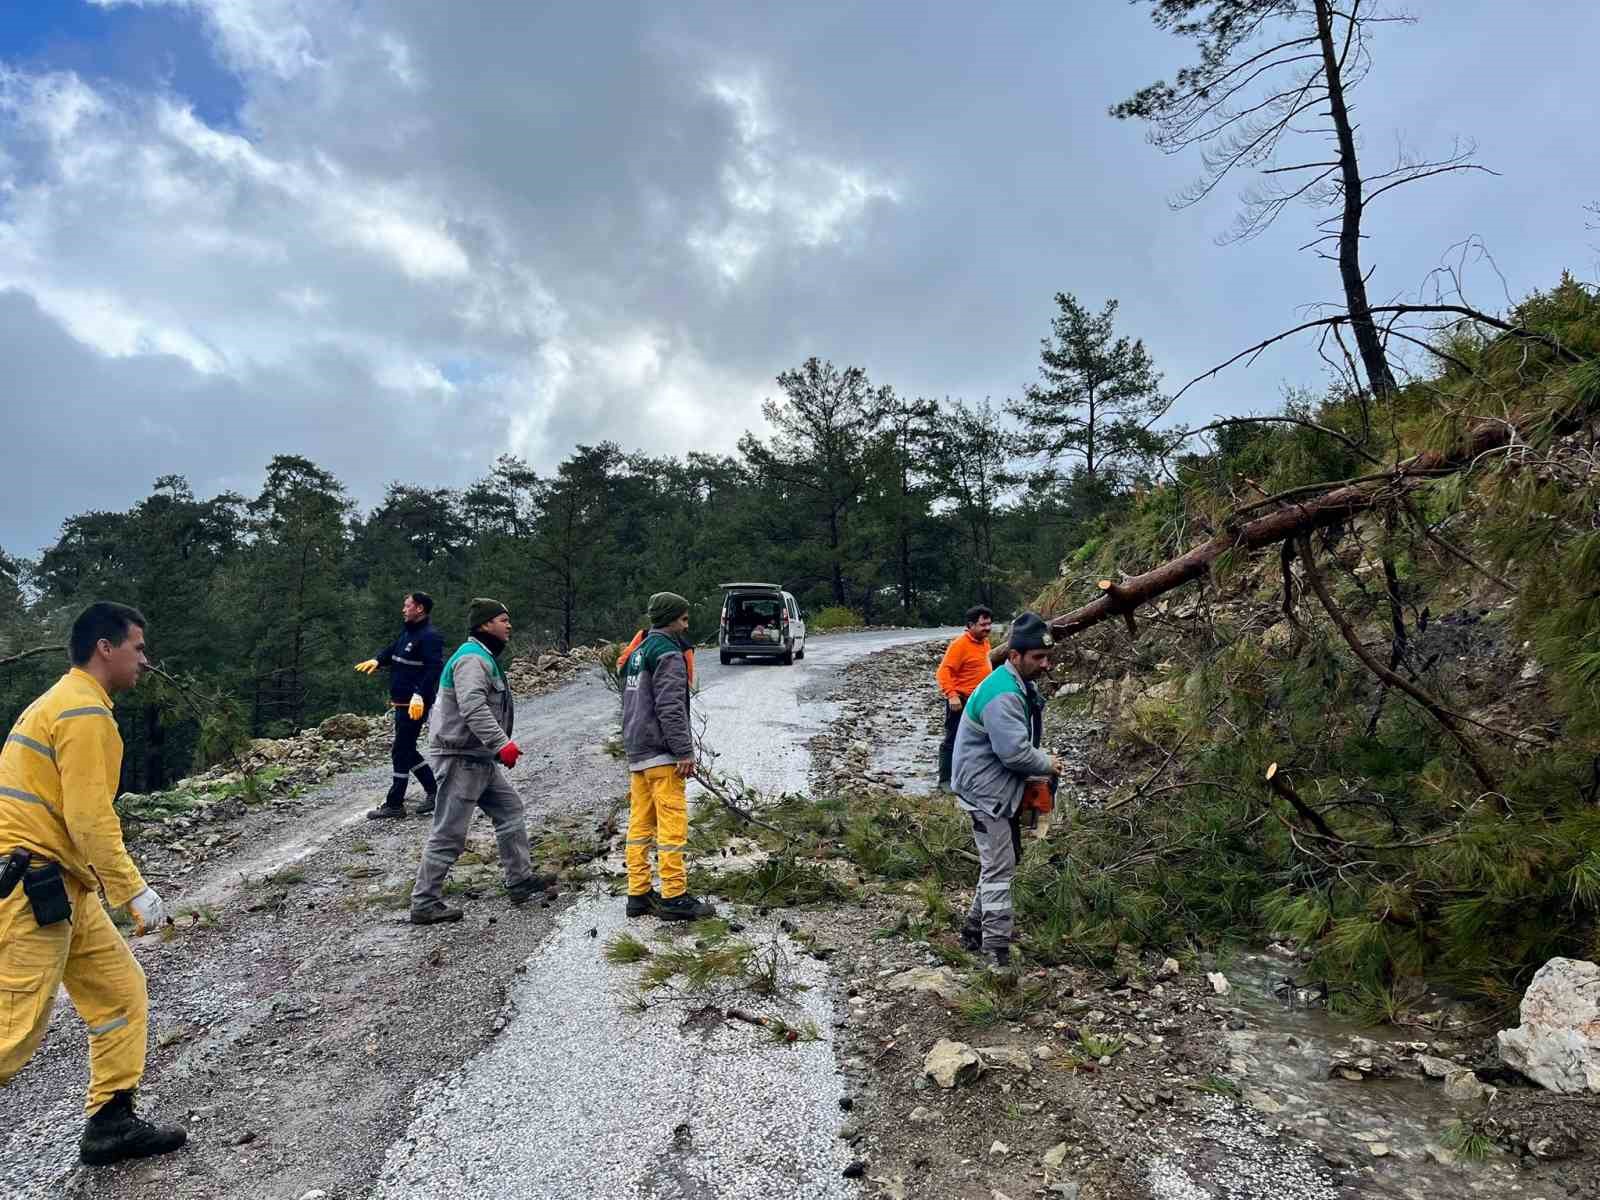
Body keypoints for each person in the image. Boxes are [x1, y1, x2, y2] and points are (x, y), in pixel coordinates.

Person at [0, 602, 187, 1165]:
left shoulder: (67, 701)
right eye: (138, 648)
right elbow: (89, 820)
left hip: (62, 886)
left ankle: (111, 1123)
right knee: (13, 1033)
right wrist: (133, 890)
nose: (145, 661)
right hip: (32, 886)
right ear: (105, 648)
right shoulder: (83, 712)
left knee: (120, 991)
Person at [410, 599, 555, 925]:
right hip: (462, 758)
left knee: (509, 810)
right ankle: (424, 902)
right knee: (449, 832)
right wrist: (501, 743)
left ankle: (519, 880)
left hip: (478, 758)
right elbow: (472, 707)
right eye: (503, 620)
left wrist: (493, 748)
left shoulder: (481, 656)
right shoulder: (473, 659)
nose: (509, 625)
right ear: (485, 625)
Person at [950, 612, 1064, 972]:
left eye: (1047, 657)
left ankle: (972, 930)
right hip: (986, 791)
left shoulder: (1015, 683)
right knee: (1000, 869)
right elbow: (1014, 752)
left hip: (991, 784)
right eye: (1038, 658)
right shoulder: (1003, 695)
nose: (1045, 665)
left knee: (1002, 861)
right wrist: (1047, 763)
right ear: (1015, 656)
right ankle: (995, 952)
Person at [620, 592, 715, 921]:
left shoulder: (638, 651)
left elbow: (632, 701)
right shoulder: (668, 653)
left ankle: (638, 893)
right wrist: (684, 751)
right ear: (672, 619)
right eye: (684, 618)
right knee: (671, 825)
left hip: (636, 750)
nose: (687, 624)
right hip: (661, 753)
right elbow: (670, 707)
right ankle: (674, 896)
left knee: (640, 824)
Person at [355, 591, 445, 819]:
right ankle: (434, 790)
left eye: (407, 606)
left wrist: (419, 695)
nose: (403, 609)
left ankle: (395, 803)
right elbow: (394, 649)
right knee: (406, 749)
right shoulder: (410, 632)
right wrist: (378, 659)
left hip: (414, 704)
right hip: (401, 702)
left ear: (420, 609)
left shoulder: (430, 636)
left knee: (401, 750)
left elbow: (434, 669)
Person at [935, 605, 995, 791]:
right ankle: (945, 781)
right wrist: (952, 696)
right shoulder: (960, 645)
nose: (987, 628)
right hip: (960, 701)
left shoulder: (984, 642)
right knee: (953, 739)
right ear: (970, 625)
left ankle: (971, 778)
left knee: (978, 739)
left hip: (979, 700)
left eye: (989, 624)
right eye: (983, 625)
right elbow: (943, 671)